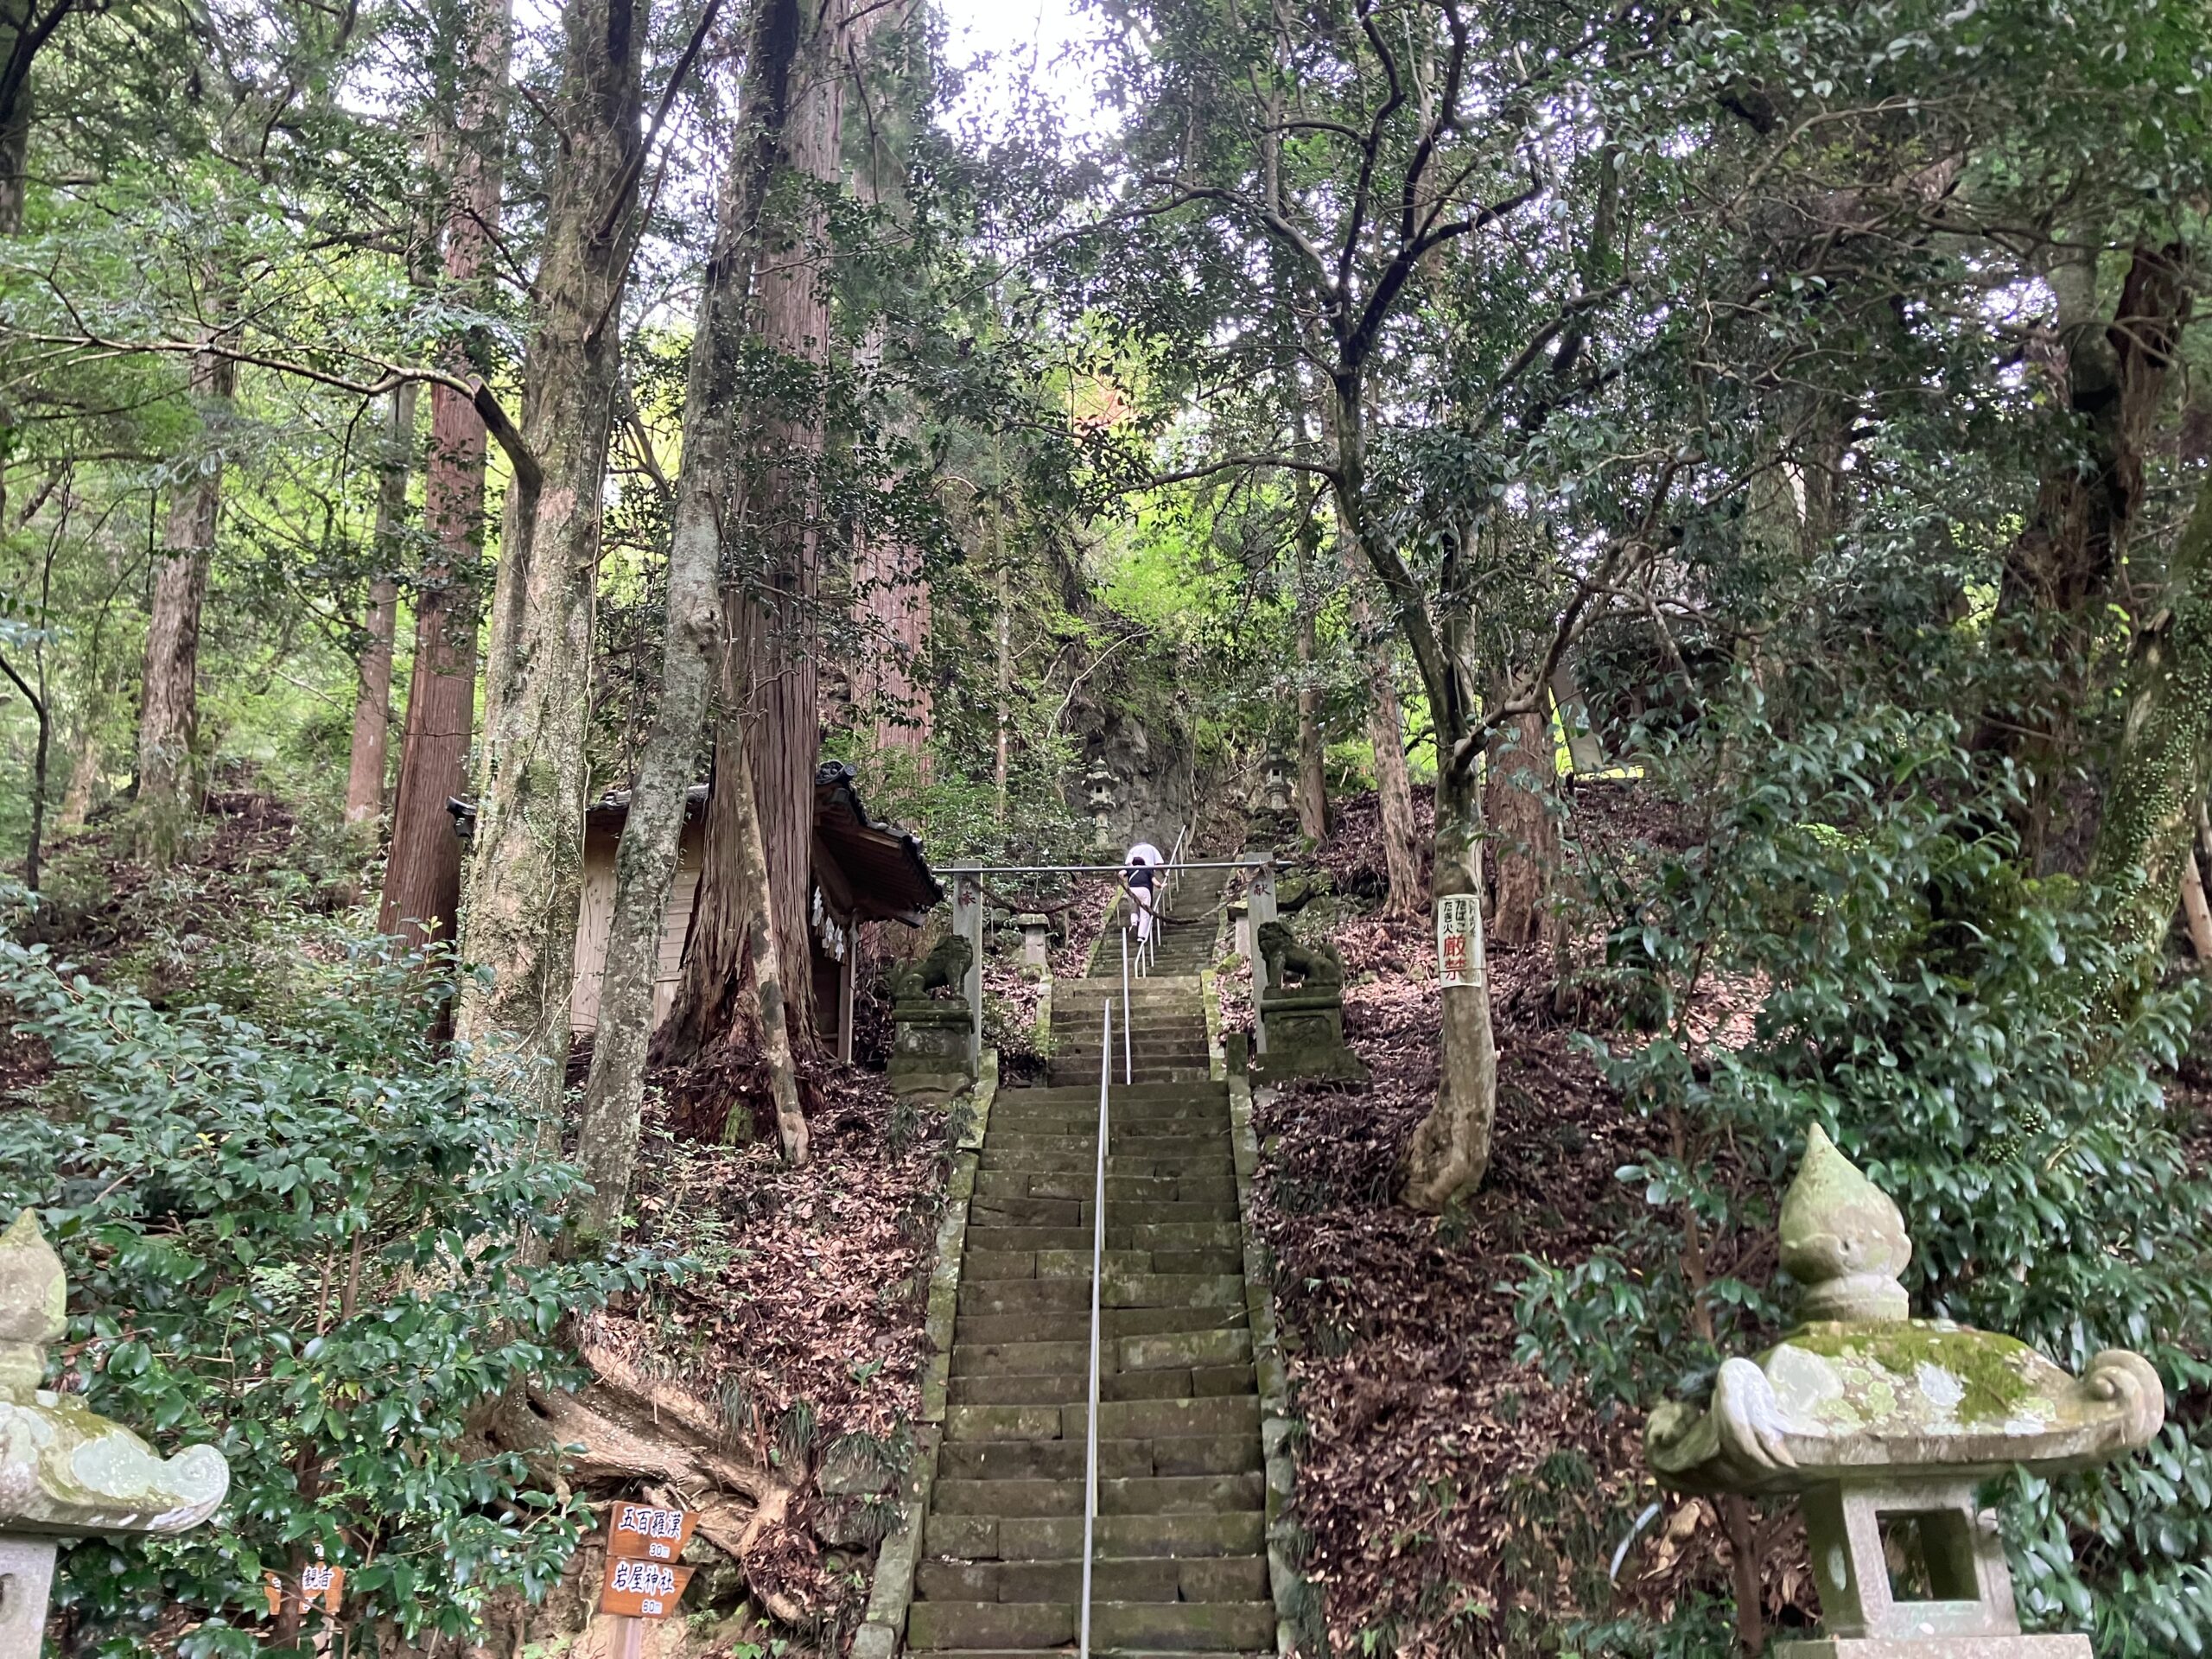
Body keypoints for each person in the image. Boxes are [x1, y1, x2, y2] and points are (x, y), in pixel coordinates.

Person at [1123, 854, 1155, 946]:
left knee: (1134, 907)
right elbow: (1154, 882)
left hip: (1132, 890)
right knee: (1145, 913)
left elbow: (1121, 873)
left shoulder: (1130, 869)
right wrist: (1160, 886)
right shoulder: (1147, 869)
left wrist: (1124, 884)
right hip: (1144, 890)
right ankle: (1141, 936)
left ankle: (1134, 923)